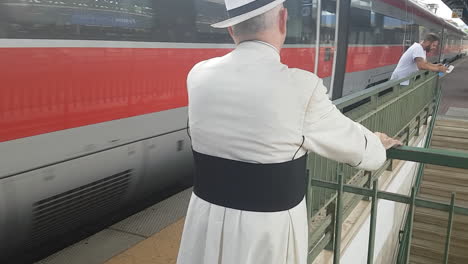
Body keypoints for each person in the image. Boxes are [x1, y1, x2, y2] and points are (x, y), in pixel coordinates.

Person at [177, 1, 401, 263]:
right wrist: (377, 142)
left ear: (231, 30)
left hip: (204, 219)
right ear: (283, 19)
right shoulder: (300, 86)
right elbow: (361, 151)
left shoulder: (198, 74)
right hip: (267, 231)